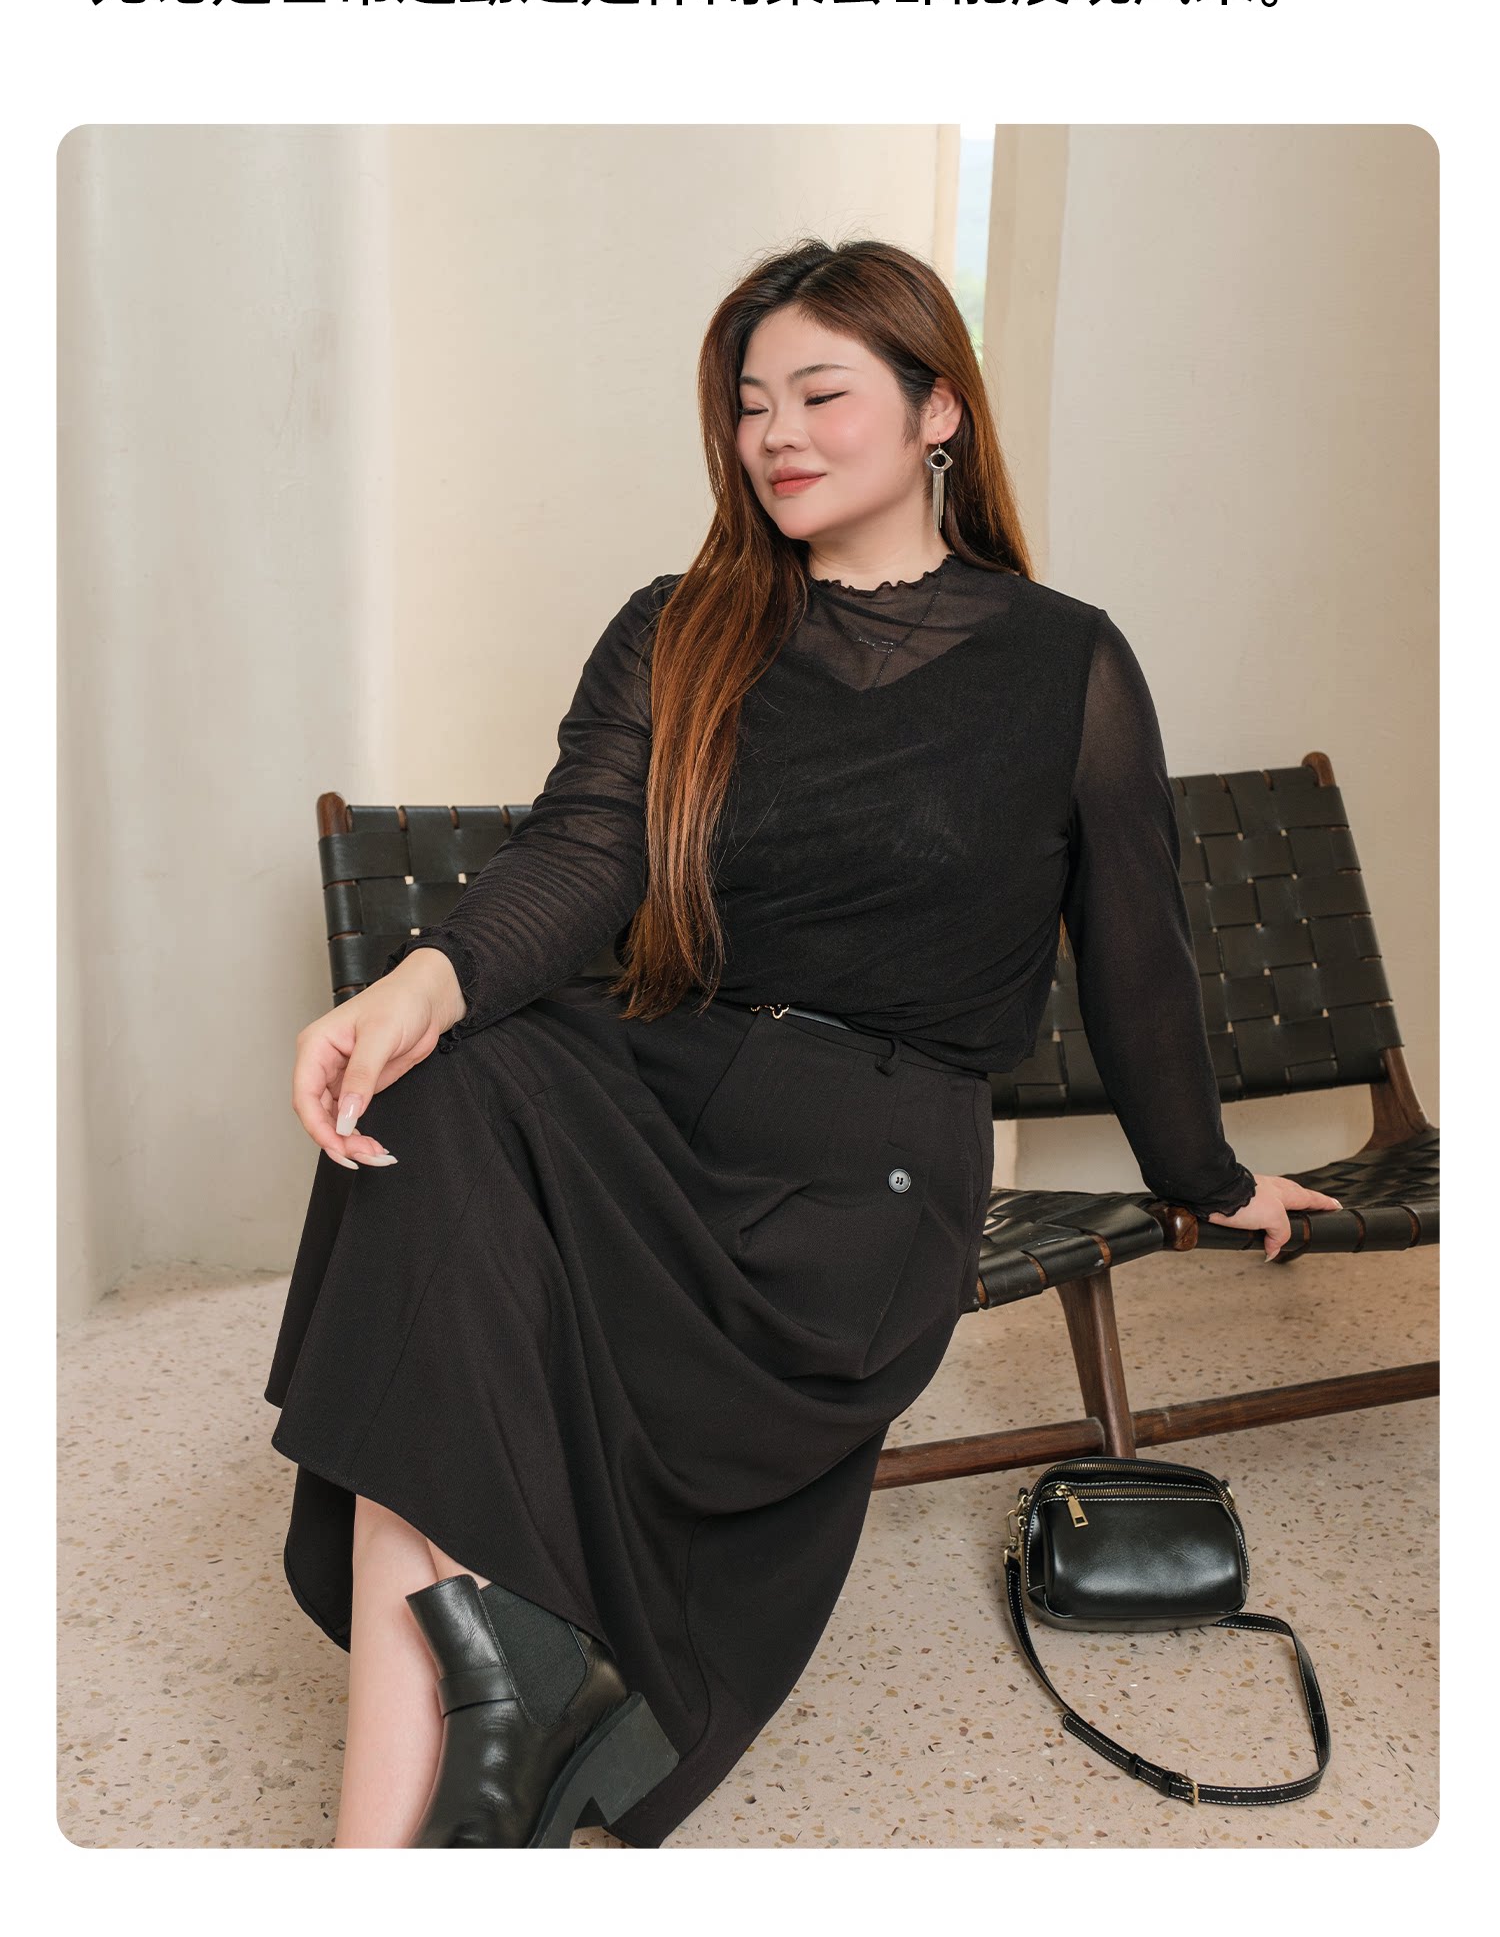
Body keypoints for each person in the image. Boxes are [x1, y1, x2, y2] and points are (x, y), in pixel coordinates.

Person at [265, 236, 1340, 1850]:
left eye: (819, 394)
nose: (775, 433)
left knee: (442, 1342)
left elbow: (1140, 958)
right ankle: (426, 1817)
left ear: (937, 409)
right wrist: (415, 985)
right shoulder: (679, 626)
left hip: (866, 1158)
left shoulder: (1065, 663)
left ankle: (442, 1785)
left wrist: (1210, 1173)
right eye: (751, 401)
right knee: (444, 1086)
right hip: (661, 1079)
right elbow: (580, 849)